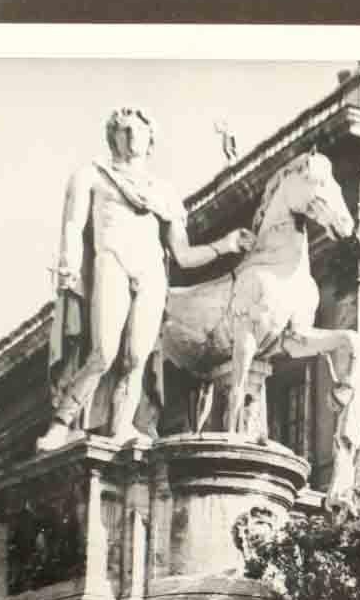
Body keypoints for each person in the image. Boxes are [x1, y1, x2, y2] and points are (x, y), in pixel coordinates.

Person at [37, 107, 254, 452]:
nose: (132, 136)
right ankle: (62, 423)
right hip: (111, 262)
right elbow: (73, 225)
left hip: (150, 271)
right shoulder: (91, 175)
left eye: (139, 131)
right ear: (113, 136)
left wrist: (224, 245)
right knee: (103, 352)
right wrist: (68, 261)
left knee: (136, 358)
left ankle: (121, 427)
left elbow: (182, 255)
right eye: (124, 130)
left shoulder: (164, 192)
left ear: (151, 140)